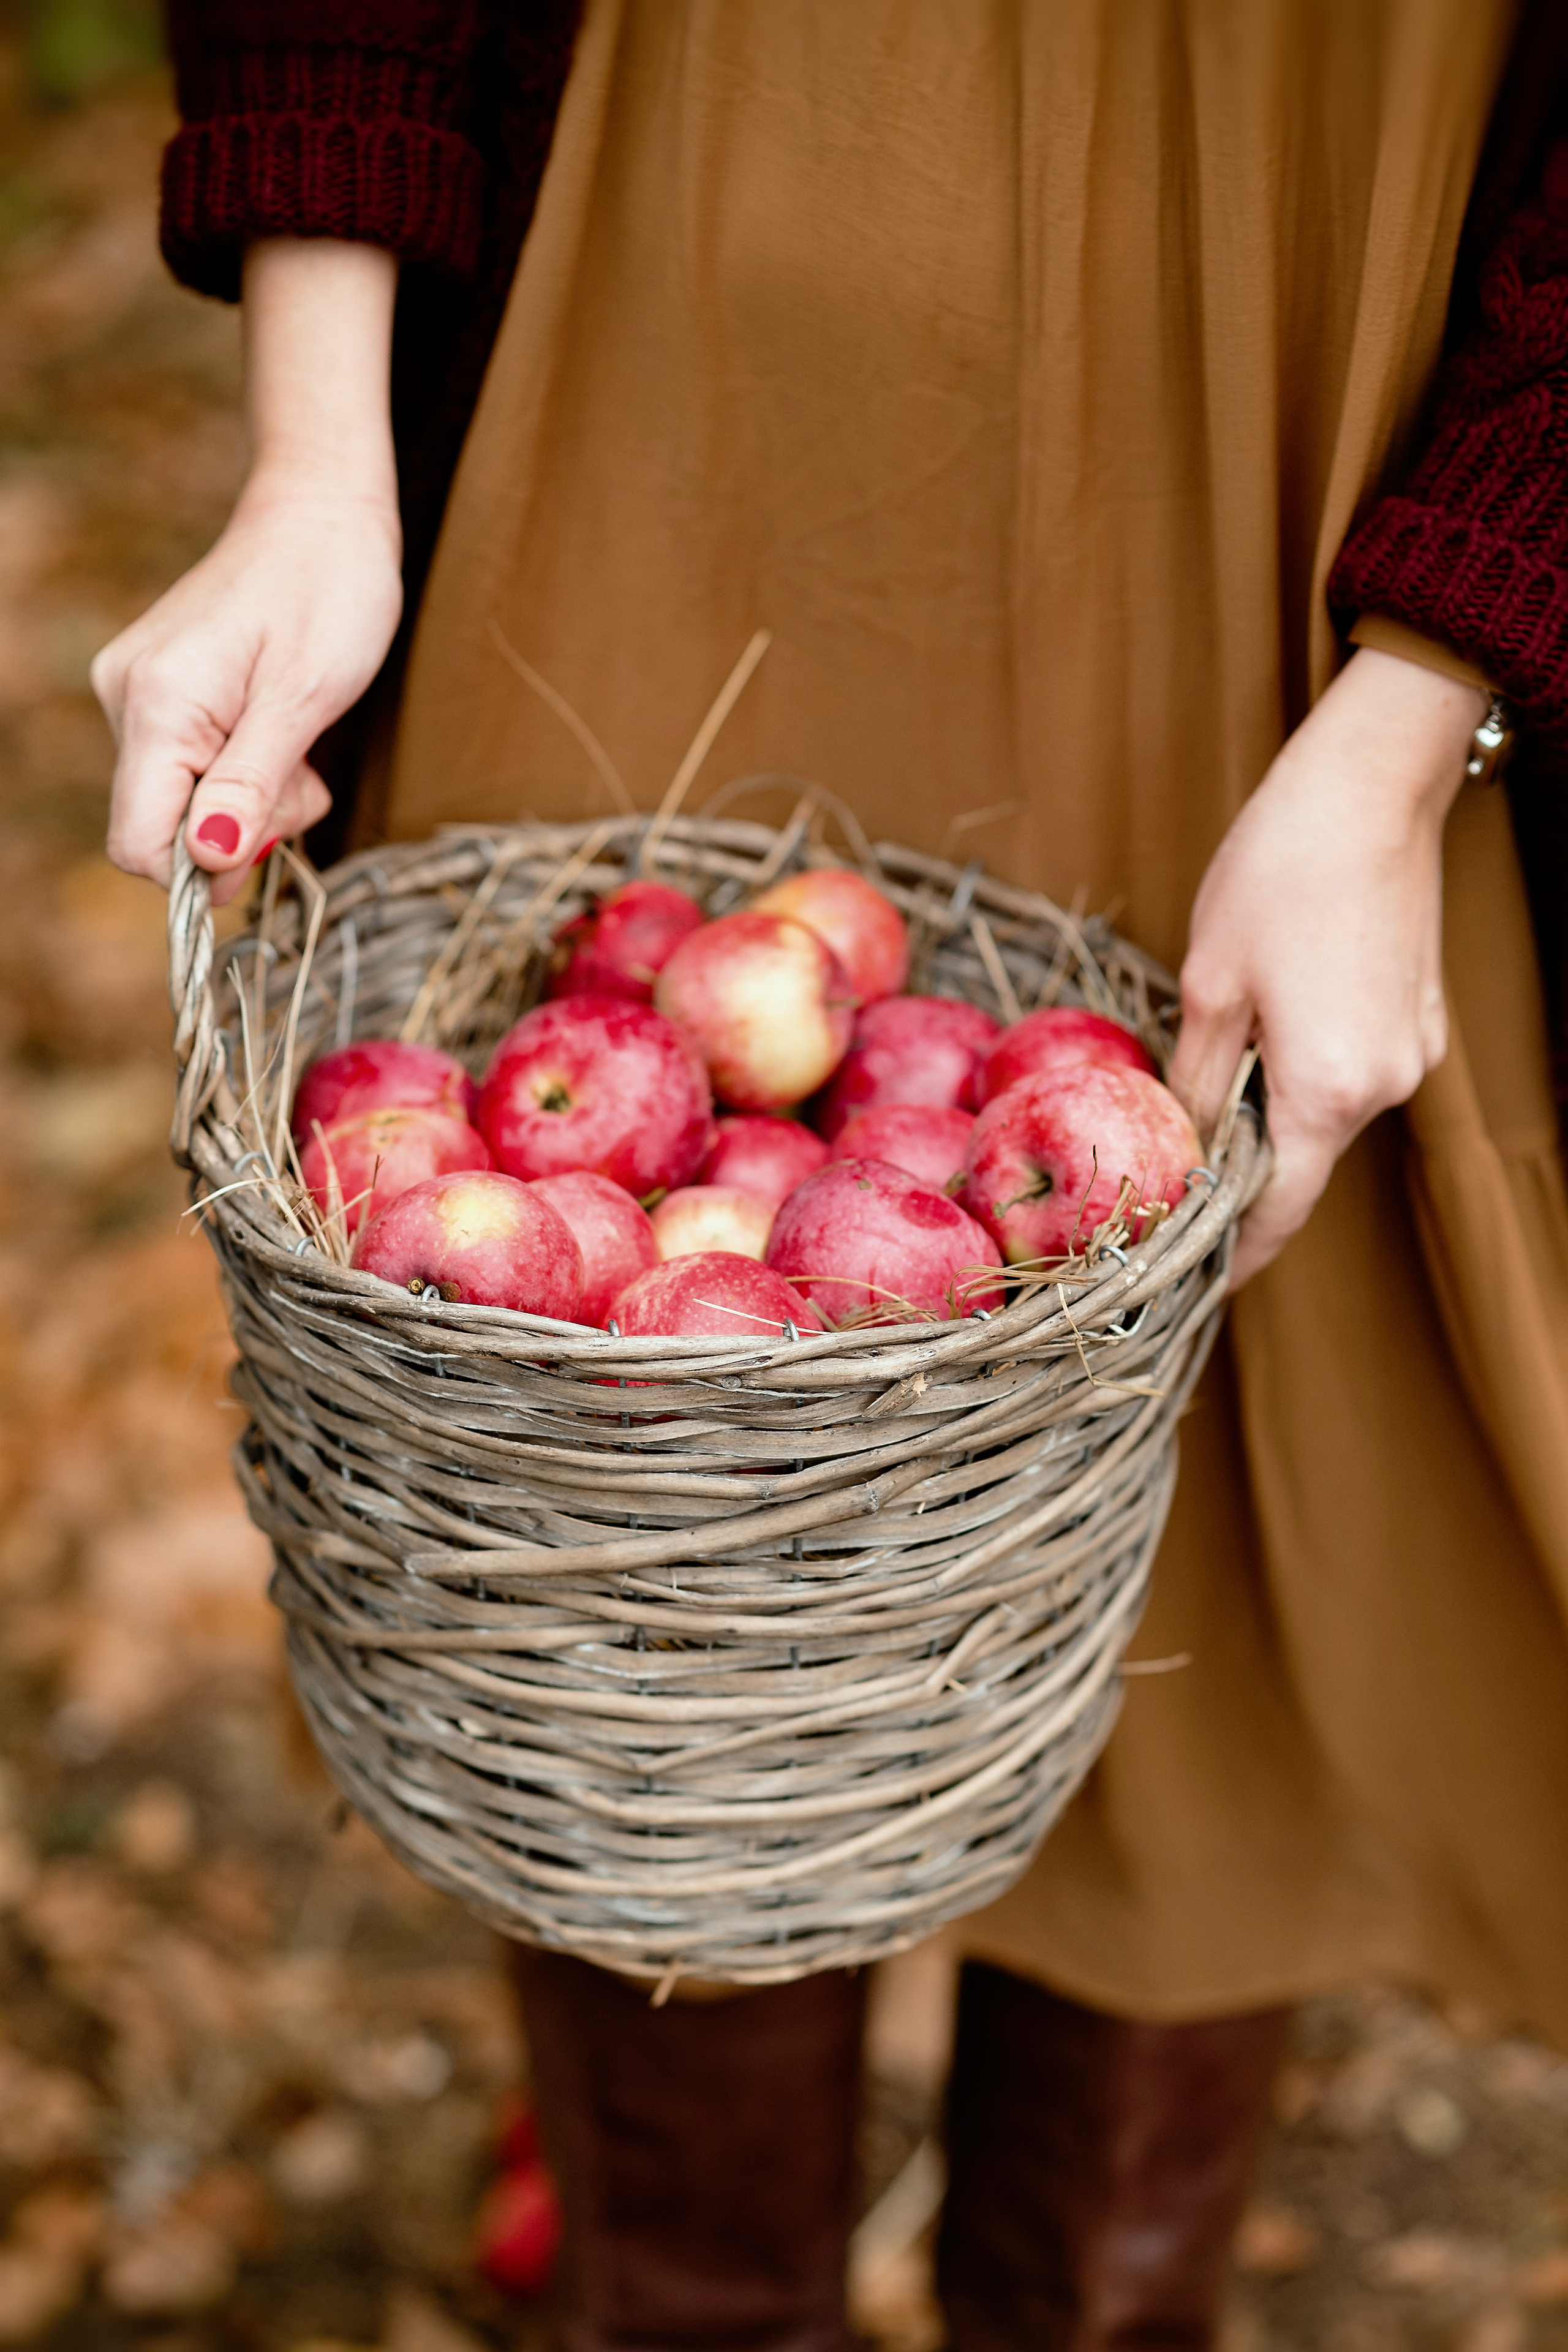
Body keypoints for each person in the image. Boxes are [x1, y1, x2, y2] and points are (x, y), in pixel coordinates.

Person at [94, 5, 1568, 2346]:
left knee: (1215, 1444)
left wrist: (1426, 696)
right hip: (658, 336)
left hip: (1301, 426)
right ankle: (691, 2286)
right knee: (613, 1545)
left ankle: (1083, 2301)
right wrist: (317, 454)